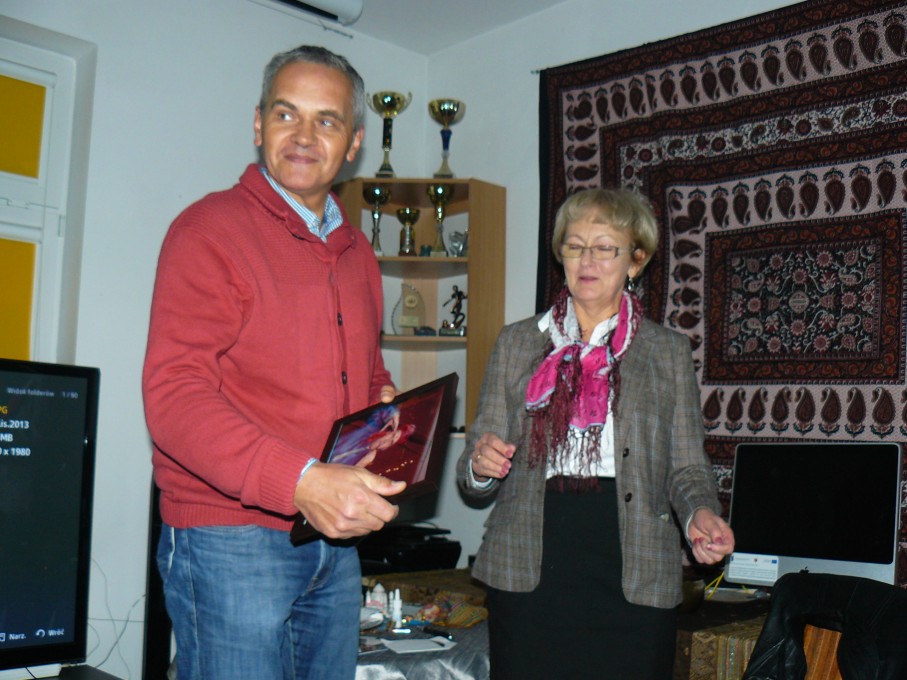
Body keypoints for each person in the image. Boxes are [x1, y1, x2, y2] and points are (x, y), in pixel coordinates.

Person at [142, 45, 405, 680]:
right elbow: (174, 396)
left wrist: (385, 409)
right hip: (228, 541)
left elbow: (367, 373)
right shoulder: (208, 230)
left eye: (327, 120)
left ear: (354, 142)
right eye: (287, 114)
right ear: (259, 124)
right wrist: (301, 482)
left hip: (331, 540)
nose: (304, 136)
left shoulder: (358, 254)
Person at [456, 187, 735, 679]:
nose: (587, 260)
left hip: (634, 565)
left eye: (604, 247)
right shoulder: (517, 342)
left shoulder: (666, 352)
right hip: (529, 564)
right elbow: (473, 470)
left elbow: (687, 466)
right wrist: (480, 465)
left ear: (635, 260)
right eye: (575, 245)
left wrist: (700, 512)